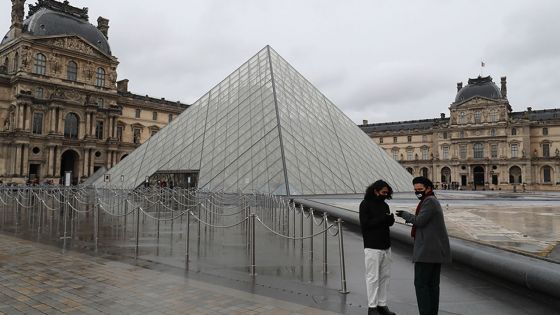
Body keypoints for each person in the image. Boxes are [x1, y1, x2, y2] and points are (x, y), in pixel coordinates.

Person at [396, 176, 451, 315]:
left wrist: (405, 215)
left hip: (427, 251)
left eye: (420, 189)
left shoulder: (429, 201)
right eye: (415, 190)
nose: (417, 192)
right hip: (434, 251)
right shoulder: (431, 200)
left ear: (429, 188)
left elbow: (420, 221)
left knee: (421, 285)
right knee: (432, 285)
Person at [359, 180, 396, 315]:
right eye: (383, 192)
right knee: (372, 277)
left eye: (387, 193)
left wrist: (390, 221)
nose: (385, 195)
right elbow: (365, 224)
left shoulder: (385, 205)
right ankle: (372, 306)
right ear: (375, 191)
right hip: (372, 246)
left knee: (385, 277)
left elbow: (385, 223)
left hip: (386, 245)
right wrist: (383, 219)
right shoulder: (365, 204)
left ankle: (382, 304)